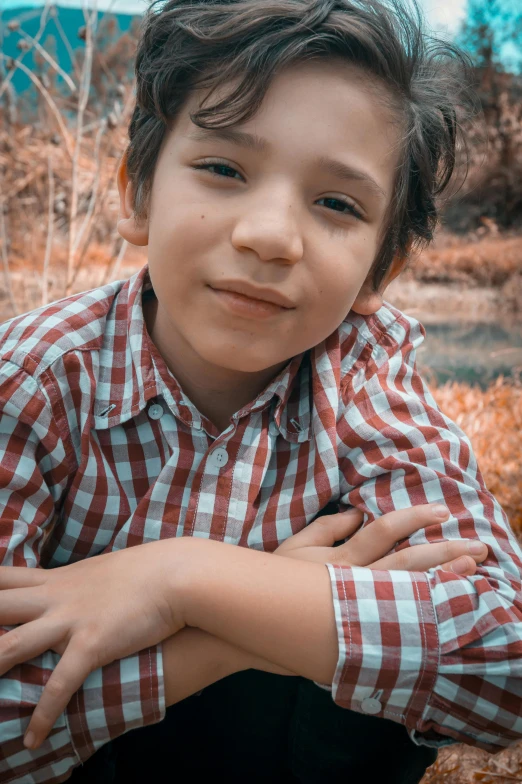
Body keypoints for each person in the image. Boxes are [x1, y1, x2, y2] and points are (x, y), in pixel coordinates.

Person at [0, 0, 521, 781]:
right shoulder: (35, 379)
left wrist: (178, 579)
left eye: (337, 203)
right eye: (223, 168)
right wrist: (240, 627)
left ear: (380, 272)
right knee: (350, 618)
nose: (270, 234)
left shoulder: (363, 369)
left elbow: (506, 656)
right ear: (138, 195)